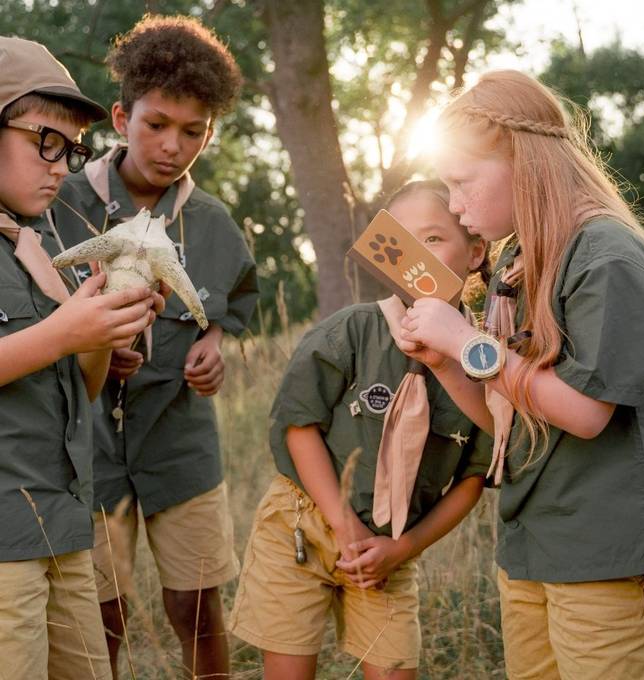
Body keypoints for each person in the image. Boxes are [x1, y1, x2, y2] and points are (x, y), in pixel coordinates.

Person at [399, 70, 644, 679]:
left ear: (523, 162)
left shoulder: (607, 257)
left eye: (462, 181)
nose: (454, 203)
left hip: (607, 551)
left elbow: (583, 412)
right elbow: (511, 411)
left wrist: (471, 343)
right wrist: (445, 359)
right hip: (535, 543)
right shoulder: (522, 259)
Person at [49, 15, 258, 679]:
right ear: (119, 117)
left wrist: (215, 343)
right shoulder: (62, 206)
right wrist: (94, 350)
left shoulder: (214, 222)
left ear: (211, 131)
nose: (173, 146)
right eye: (156, 124)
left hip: (180, 436)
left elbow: (236, 302)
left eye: (193, 131)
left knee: (196, 606)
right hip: (87, 444)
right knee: (99, 615)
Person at [229, 179, 493, 679]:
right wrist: (343, 526)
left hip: (393, 545)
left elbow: (473, 480)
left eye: (434, 240)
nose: (418, 255)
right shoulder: (350, 331)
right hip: (303, 524)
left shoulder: (484, 359)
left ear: (475, 251)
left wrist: (403, 549)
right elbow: (299, 426)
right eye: (404, 241)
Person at [0, 36, 163, 679]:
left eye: (71, 150)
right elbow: (50, 344)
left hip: (66, 523)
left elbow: (79, 388)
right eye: (45, 141)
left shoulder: (42, 244)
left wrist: (102, 338)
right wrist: (65, 334)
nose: (61, 166)